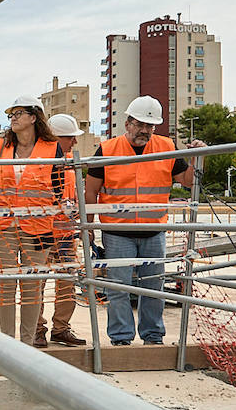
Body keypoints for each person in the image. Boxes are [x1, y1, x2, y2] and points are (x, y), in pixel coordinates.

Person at [85, 96, 204, 346]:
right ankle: (121, 338)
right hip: (117, 232)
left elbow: (188, 180)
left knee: (153, 289)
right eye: (140, 124)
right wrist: (89, 227)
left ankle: (153, 336)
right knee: (118, 289)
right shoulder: (107, 150)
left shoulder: (166, 147)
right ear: (127, 123)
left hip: (154, 231)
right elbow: (90, 192)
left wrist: (196, 158)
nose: (145, 131)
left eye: (150, 126)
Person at [0, 95, 64, 344]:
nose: (13, 119)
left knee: (32, 287)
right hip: (3, 226)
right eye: (11, 115)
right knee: (6, 284)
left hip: (38, 227)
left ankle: (27, 344)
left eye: (18, 113)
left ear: (33, 117)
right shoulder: (0, 148)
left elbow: (58, 188)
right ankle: (7, 343)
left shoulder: (52, 149)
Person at [36, 113, 87, 347]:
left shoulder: (71, 166)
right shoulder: (38, 163)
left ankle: (61, 329)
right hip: (42, 234)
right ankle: (37, 330)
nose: (74, 142)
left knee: (67, 284)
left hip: (66, 235)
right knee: (36, 285)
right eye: (70, 138)